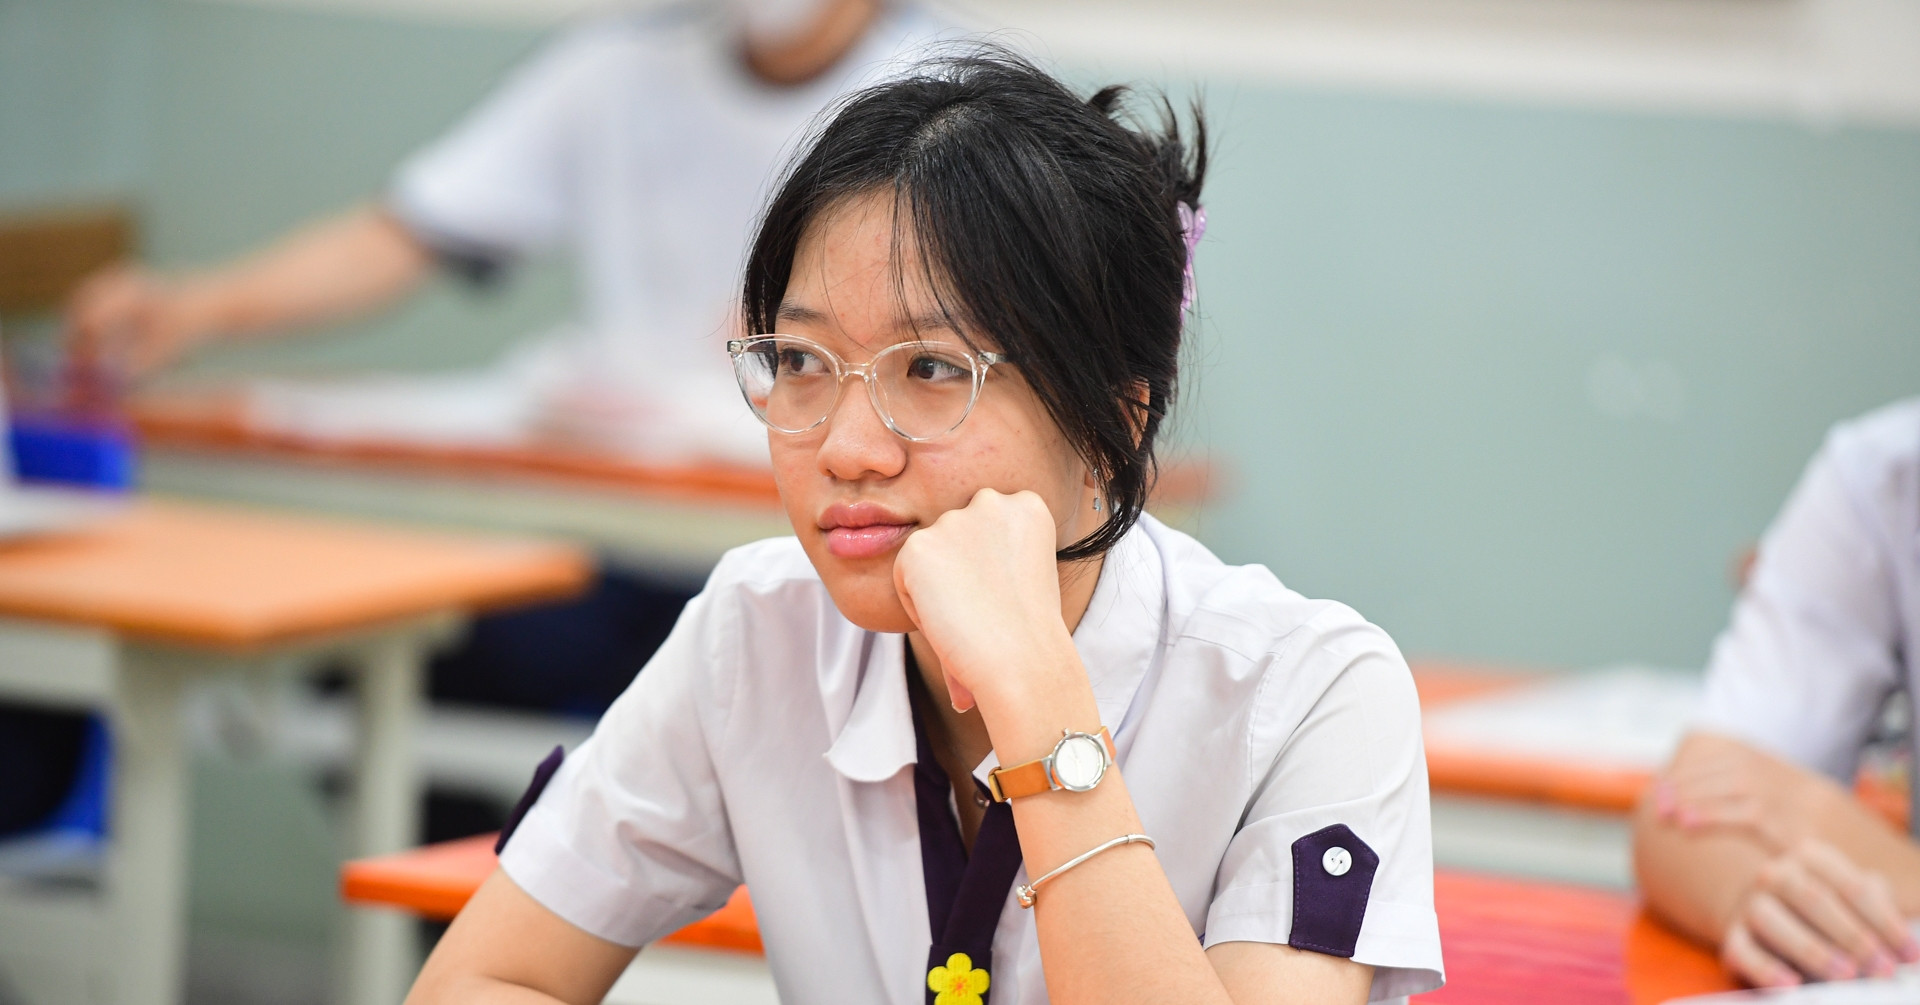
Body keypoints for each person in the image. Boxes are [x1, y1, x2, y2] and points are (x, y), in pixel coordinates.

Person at [406, 50, 1443, 1005]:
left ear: (1114, 422)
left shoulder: (1312, 691)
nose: (847, 447)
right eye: (801, 362)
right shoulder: (758, 631)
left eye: (935, 369)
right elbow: (482, 980)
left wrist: (1038, 694)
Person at [64, 0, 946, 451]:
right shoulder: (619, 70)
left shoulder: (951, 98)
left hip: (791, 517)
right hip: (604, 501)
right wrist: (193, 309)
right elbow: (408, 229)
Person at [1634, 398, 1920, 989]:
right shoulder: (1884, 472)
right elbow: (1678, 807)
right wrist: (1766, 898)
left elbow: (1799, 809)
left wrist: (1844, 834)